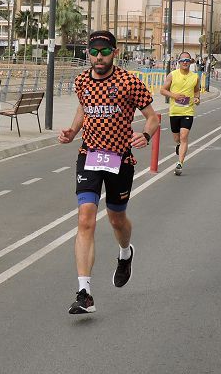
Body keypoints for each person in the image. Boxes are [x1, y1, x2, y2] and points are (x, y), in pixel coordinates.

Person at [58, 30, 159, 315]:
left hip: (119, 159)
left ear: (114, 52)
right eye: (94, 52)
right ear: (88, 53)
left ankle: (125, 253)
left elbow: (152, 117)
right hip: (89, 155)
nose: (98, 57)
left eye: (104, 51)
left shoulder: (129, 82)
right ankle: (84, 292)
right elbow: (83, 107)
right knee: (86, 219)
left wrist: (146, 136)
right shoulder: (81, 81)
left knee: (116, 220)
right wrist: (72, 130)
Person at [160, 52, 201, 176]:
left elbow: (197, 91)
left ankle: (180, 163)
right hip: (174, 111)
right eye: (183, 60)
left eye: (187, 60)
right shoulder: (172, 75)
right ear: (179, 62)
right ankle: (178, 145)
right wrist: (174, 96)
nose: (185, 62)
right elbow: (162, 90)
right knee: (177, 138)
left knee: (184, 136)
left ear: (190, 62)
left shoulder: (195, 77)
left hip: (188, 111)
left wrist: (197, 99)